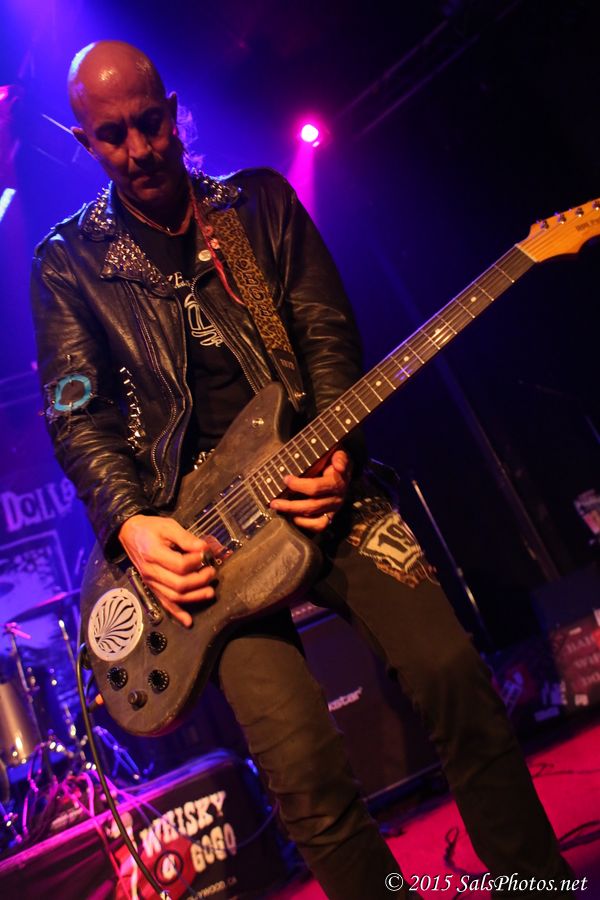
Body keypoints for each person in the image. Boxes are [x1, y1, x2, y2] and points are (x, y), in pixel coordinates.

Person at [31, 41, 576, 899]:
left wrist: (339, 449)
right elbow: (76, 415)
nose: (138, 149)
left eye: (149, 123)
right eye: (112, 135)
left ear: (173, 110)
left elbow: (326, 338)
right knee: (305, 777)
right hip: (202, 546)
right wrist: (132, 523)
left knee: (453, 680)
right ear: (82, 140)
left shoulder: (258, 205)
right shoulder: (68, 264)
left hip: (324, 486)